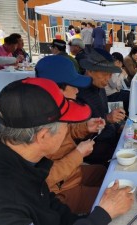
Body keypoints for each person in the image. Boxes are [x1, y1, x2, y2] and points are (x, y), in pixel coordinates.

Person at [0, 77, 133, 224]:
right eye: (66, 124)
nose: (68, 129)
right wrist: (101, 215)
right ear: (43, 136)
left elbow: (53, 208)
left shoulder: (24, 161)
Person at [35, 55, 107, 214]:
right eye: (73, 86)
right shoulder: (36, 127)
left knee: (104, 172)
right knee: (110, 197)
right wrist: (78, 154)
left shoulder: (56, 108)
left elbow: (66, 131)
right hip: (60, 190)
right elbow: (45, 179)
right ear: (55, 88)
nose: (77, 90)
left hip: (73, 172)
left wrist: (85, 127)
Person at [78, 49, 126, 165]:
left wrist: (118, 125)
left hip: (110, 137)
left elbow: (104, 113)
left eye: (110, 74)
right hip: (94, 147)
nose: (108, 78)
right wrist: (108, 119)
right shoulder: (78, 93)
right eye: (104, 74)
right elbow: (80, 132)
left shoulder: (99, 88)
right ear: (90, 71)